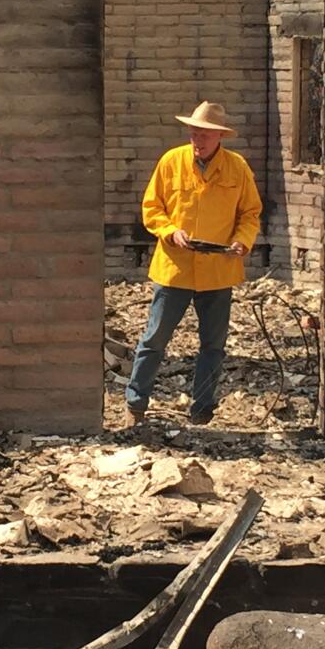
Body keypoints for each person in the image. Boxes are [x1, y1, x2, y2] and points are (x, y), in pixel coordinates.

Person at [125, 101, 262, 426]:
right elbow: (152, 207)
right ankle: (135, 405)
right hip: (175, 268)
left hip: (218, 269)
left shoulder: (237, 168)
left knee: (213, 346)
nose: (197, 139)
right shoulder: (171, 162)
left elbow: (250, 213)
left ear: (219, 136)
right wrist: (171, 231)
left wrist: (243, 241)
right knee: (154, 340)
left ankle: (202, 411)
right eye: (193, 132)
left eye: (203, 134)